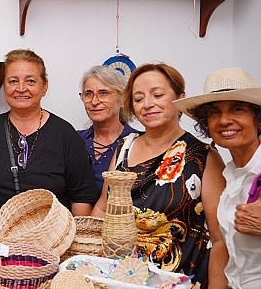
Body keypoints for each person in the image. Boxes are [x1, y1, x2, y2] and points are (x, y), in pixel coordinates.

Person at [91, 62, 227, 287]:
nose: (148, 104)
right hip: (122, 279)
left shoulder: (203, 157)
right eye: (139, 98)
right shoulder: (124, 147)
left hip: (180, 281)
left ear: (180, 98)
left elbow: (220, 239)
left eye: (157, 94)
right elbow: (103, 208)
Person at [0, 49, 99, 241]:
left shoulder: (65, 135)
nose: (21, 88)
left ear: (44, 86)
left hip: (50, 247)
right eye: (13, 81)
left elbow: (81, 200)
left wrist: (72, 244)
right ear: (4, 85)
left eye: (30, 81)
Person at [174, 67, 261, 288]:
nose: (224, 120)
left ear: (257, 118)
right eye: (214, 112)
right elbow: (222, 245)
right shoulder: (229, 173)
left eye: (237, 109)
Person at [77, 65, 138, 191]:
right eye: (88, 94)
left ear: (122, 99)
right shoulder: (73, 140)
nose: (94, 101)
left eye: (103, 93)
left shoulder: (137, 142)